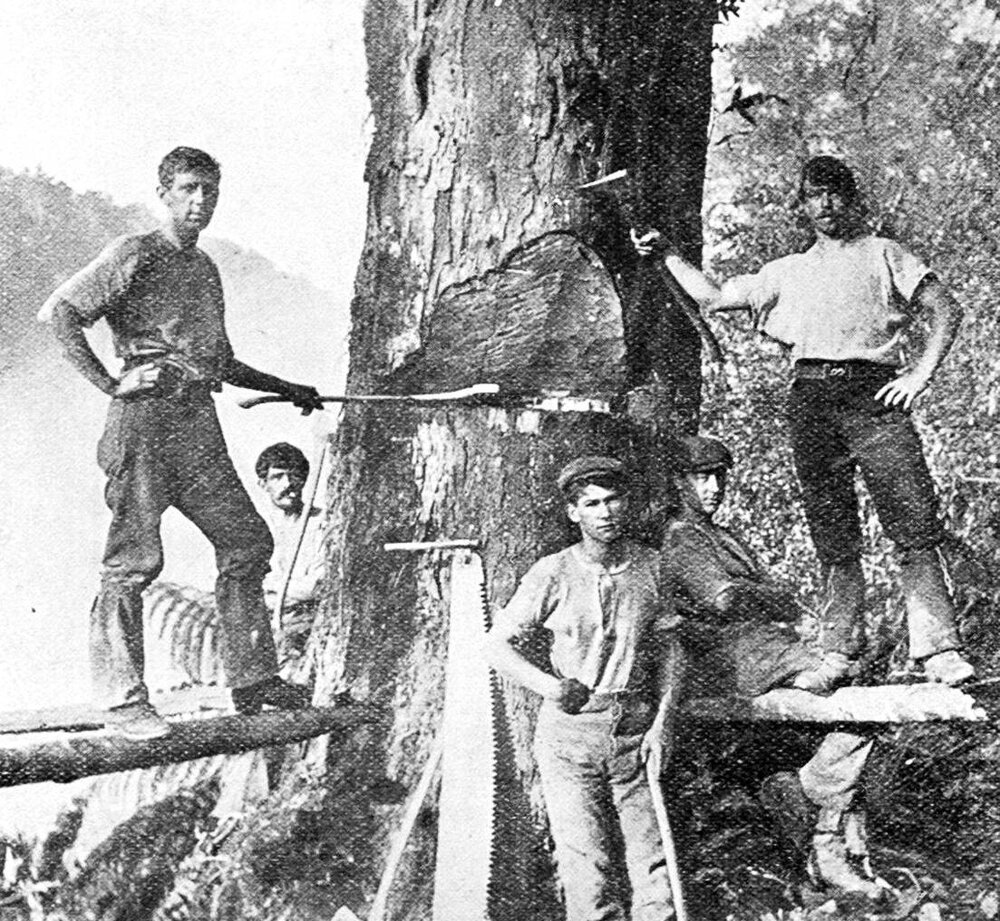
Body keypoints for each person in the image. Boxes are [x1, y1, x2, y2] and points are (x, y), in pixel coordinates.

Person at [633, 154, 974, 688]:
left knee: (912, 520)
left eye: (836, 192)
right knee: (832, 530)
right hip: (812, 399)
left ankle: (939, 649)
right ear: (803, 205)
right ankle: (838, 648)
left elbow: (946, 308)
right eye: (815, 194)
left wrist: (919, 375)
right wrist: (667, 253)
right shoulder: (786, 271)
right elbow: (714, 297)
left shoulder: (885, 254)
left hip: (875, 396)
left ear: (852, 199)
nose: (827, 204)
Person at [39, 146, 323, 740]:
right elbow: (61, 313)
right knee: (134, 561)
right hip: (143, 424)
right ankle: (122, 701)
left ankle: (253, 680)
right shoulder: (134, 253)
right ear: (164, 194)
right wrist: (112, 383)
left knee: (246, 542)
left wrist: (288, 388)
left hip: (196, 425)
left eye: (209, 191)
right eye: (189, 189)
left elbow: (221, 361)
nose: (200, 202)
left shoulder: (204, 269)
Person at [662, 434, 883, 900]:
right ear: (679, 482)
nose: (714, 488)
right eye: (701, 478)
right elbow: (724, 601)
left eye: (719, 477)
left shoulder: (723, 536)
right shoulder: (682, 537)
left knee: (854, 688)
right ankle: (823, 833)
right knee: (837, 681)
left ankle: (825, 827)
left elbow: (764, 601)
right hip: (726, 658)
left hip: (761, 646)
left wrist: (768, 599)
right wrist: (773, 596)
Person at [484, 456, 682, 921]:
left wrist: (663, 723)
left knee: (653, 861)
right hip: (570, 734)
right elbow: (496, 645)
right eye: (591, 503)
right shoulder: (552, 572)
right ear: (573, 512)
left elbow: (672, 650)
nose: (605, 512)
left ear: (627, 503)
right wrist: (550, 688)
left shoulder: (653, 567)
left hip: (635, 730)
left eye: (613, 500)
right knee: (585, 865)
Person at [255, 442, 327, 671]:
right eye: (277, 477)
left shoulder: (322, 523)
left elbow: (317, 587)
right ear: (263, 484)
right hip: (264, 622)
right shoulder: (254, 526)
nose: (288, 484)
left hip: (307, 623)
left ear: (304, 480)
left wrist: (271, 586)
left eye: (294, 475)